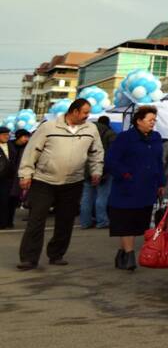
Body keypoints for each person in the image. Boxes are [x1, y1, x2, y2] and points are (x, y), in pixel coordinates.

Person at [16, 98, 104, 270]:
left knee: (65, 221)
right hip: (44, 180)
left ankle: (57, 254)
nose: (88, 116)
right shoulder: (49, 127)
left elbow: (96, 152)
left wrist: (96, 171)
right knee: (36, 219)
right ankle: (29, 258)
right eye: (85, 112)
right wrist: (25, 174)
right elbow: (31, 151)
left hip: (73, 182)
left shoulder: (91, 129)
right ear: (74, 111)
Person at [105, 106, 165, 271]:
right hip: (126, 189)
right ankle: (130, 257)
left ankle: (122, 253)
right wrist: (125, 174)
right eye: (150, 120)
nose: (153, 123)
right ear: (139, 120)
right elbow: (111, 160)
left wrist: (161, 182)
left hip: (147, 188)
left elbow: (159, 162)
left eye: (154, 120)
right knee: (126, 222)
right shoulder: (124, 138)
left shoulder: (156, 138)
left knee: (136, 223)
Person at [79, 115, 117, 229]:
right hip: (103, 169)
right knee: (102, 196)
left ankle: (85, 222)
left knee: (86, 197)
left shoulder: (87, 132)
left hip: (87, 169)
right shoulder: (110, 134)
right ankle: (102, 221)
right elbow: (113, 153)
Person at [5, 129, 31, 228]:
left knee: (13, 201)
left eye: (27, 137)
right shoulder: (9, 145)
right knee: (5, 200)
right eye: (24, 136)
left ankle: (9, 222)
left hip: (18, 177)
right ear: (18, 137)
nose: (26, 139)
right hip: (7, 176)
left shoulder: (27, 147)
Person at [0, 127, 13, 230]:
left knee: (6, 201)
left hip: (8, 179)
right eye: (4, 134)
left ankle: (5, 222)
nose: (6, 136)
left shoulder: (10, 145)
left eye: (7, 134)